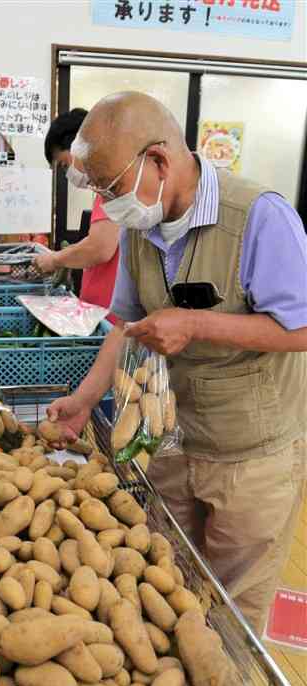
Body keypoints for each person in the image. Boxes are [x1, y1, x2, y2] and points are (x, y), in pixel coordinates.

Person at [47, 91, 307, 636]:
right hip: (169, 439)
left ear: (159, 161)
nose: (108, 204)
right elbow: (123, 324)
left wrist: (196, 323)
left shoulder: (259, 217)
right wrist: (83, 401)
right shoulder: (142, 229)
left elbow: (301, 327)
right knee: (167, 579)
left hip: (250, 457)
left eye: (111, 188)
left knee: (233, 611)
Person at [33, 108, 120, 320]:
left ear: (79, 145)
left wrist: (55, 260)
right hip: (103, 314)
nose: (67, 173)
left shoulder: (113, 186)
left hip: (112, 318)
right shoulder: (104, 188)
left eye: (64, 164)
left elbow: (100, 248)